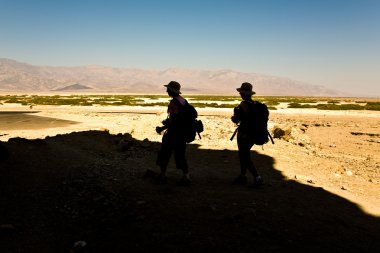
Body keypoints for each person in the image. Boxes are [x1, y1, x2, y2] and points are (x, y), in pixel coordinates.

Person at [148, 81, 191, 185]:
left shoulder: (174, 103)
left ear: (171, 90)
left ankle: (163, 175)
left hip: (173, 133)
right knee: (181, 155)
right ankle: (186, 176)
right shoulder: (183, 101)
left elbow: (175, 121)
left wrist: (162, 128)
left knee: (164, 153)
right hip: (182, 134)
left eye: (168, 89)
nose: (166, 91)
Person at [231, 82, 263, 188]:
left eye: (241, 92)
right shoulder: (256, 104)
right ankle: (243, 175)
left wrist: (234, 117)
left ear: (243, 93)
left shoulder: (243, 105)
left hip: (244, 134)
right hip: (254, 134)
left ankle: (257, 177)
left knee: (245, 156)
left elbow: (236, 120)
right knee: (243, 155)